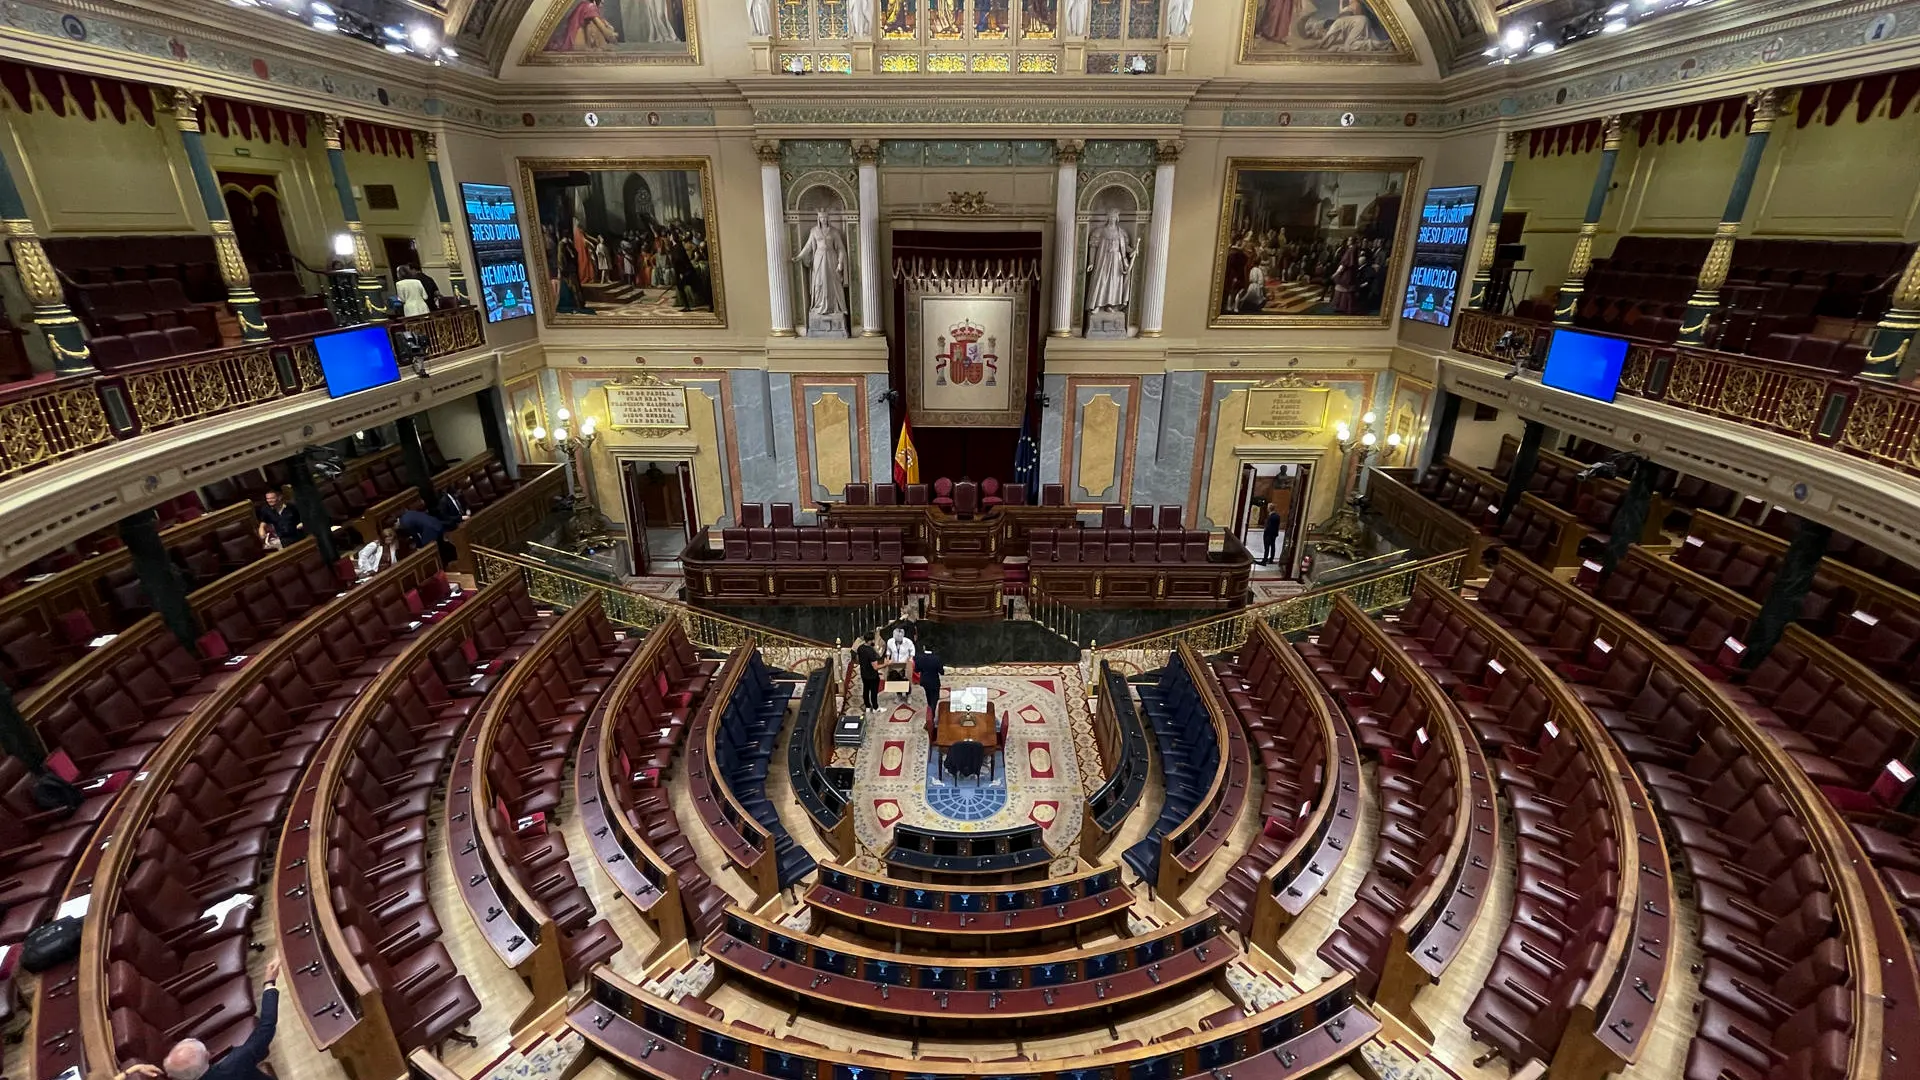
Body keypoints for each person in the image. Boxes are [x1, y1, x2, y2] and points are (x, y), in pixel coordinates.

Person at [161, 958, 280, 1080]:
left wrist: (139, 1068)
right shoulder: (237, 1062)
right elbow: (267, 1025)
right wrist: (269, 982)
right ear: (208, 1055)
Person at [883, 626, 917, 698]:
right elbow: (888, 651)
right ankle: (899, 695)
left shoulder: (908, 642)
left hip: (905, 663)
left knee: (906, 680)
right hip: (894, 663)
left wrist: (910, 659)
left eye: (899, 641)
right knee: (896, 679)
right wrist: (887, 659)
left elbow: (912, 651)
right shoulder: (890, 641)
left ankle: (908, 695)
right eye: (896, 641)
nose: (898, 642)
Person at [855, 632, 882, 712]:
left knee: (866, 690)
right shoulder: (871, 651)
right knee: (874, 691)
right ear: (871, 640)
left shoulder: (860, 648)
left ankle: (867, 706)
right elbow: (876, 667)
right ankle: (875, 708)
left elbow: (857, 659)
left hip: (864, 673)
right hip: (872, 676)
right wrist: (887, 664)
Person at [914, 647, 944, 713]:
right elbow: (941, 672)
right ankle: (931, 713)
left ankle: (930, 707)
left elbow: (916, 670)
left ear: (924, 648)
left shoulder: (918, 657)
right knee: (935, 697)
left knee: (928, 694)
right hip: (934, 681)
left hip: (924, 681)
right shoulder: (936, 658)